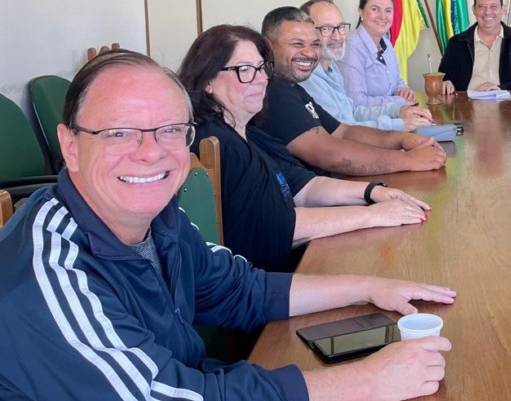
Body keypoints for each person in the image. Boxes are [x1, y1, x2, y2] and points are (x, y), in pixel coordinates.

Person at [0, 50, 455, 401]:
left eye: (170, 130)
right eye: (119, 132)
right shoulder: (47, 269)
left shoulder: (160, 219)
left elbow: (243, 289)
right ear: (71, 145)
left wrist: (370, 287)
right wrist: (368, 381)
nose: (150, 151)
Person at [179, 24, 433, 272]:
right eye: (244, 70)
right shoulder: (219, 141)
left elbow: (305, 187)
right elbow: (282, 228)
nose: (260, 81)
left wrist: (372, 192)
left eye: (261, 68)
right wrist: (373, 215)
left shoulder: (251, 133)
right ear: (207, 80)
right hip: (270, 284)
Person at [255, 7, 447, 177]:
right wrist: (408, 161)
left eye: (314, 44)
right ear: (266, 46)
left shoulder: (293, 87)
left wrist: (403, 139)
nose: (310, 53)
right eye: (297, 44)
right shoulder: (271, 90)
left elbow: (343, 131)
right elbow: (328, 153)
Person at [299, 0, 433, 131]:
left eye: (340, 27)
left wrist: (398, 111)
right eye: (326, 29)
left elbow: (353, 112)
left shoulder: (331, 67)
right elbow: (341, 131)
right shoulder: (307, 77)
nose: (337, 36)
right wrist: (398, 124)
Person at [438, 0, 511, 95]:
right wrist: (445, 82)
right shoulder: (457, 42)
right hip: (466, 106)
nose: (487, 12)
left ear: (503, 9)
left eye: (493, 6)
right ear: (474, 10)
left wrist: (502, 88)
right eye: (481, 6)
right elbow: (442, 77)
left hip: (507, 106)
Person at [341, 0, 418, 108]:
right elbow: (356, 102)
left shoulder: (386, 43)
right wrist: (398, 101)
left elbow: (396, 80)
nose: (383, 16)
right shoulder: (351, 47)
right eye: (375, 9)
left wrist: (403, 90)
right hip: (363, 123)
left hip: (391, 116)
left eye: (388, 10)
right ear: (361, 12)